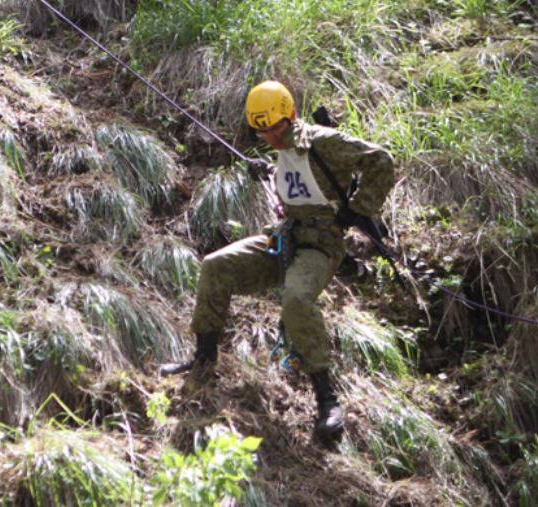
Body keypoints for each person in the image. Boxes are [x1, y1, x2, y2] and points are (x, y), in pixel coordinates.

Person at [160, 81, 394, 439]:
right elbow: (297, 181)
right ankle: (204, 360)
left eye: (275, 128)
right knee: (215, 265)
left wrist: (358, 210)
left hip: (322, 244)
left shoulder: (322, 141)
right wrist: (267, 171)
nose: (269, 136)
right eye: (261, 130)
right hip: (285, 236)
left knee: (297, 298)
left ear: (291, 116)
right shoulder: (281, 149)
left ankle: (327, 399)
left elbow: (380, 160)